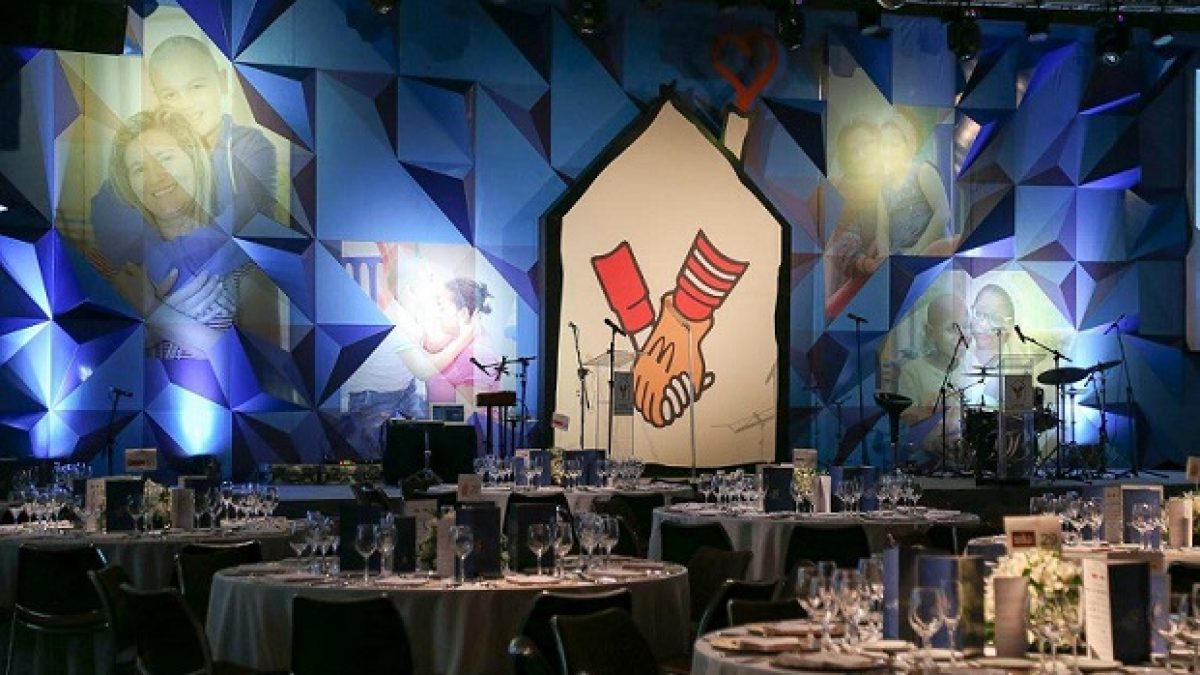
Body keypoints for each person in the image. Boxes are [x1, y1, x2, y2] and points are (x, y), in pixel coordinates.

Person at [88, 108, 278, 359]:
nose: (156, 177)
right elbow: (85, 365)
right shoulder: (110, 269)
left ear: (194, 160)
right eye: (139, 169)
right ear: (129, 186)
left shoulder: (249, 267)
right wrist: (147, 334)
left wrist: (156, 314)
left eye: (165, 158)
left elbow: (263, 373)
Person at [89, 34, 278, 248]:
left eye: (196, 86)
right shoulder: (149, 146)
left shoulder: (249, 147)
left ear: (222, 81)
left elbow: (251, 228)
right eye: (170, 95)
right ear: (157, 99)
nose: (185, 104)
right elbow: (108, 215)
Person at [874, 113, 955, 257]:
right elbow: (882, 230)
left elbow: (943, 213)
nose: (888, 151)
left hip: (933, 252)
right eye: (883, 146)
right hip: (901, 255)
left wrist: (917, 251)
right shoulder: (883, 188)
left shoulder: (923, 171)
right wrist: (884, 257)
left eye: (894, 145)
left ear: (909, 146)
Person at [826, 117, 884, 314]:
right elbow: (841, 241)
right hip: (854, 287)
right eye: (853, 151)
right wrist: (865, 263)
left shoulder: (900, 183)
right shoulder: (839, 191)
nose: (862, 154)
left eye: (867, 145)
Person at [897, 293, 968, 424]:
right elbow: (908, 419)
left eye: (966, 326)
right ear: (930, 332)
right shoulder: (913, 372)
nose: (961, 335)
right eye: (951, 329)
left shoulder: (972, 367)